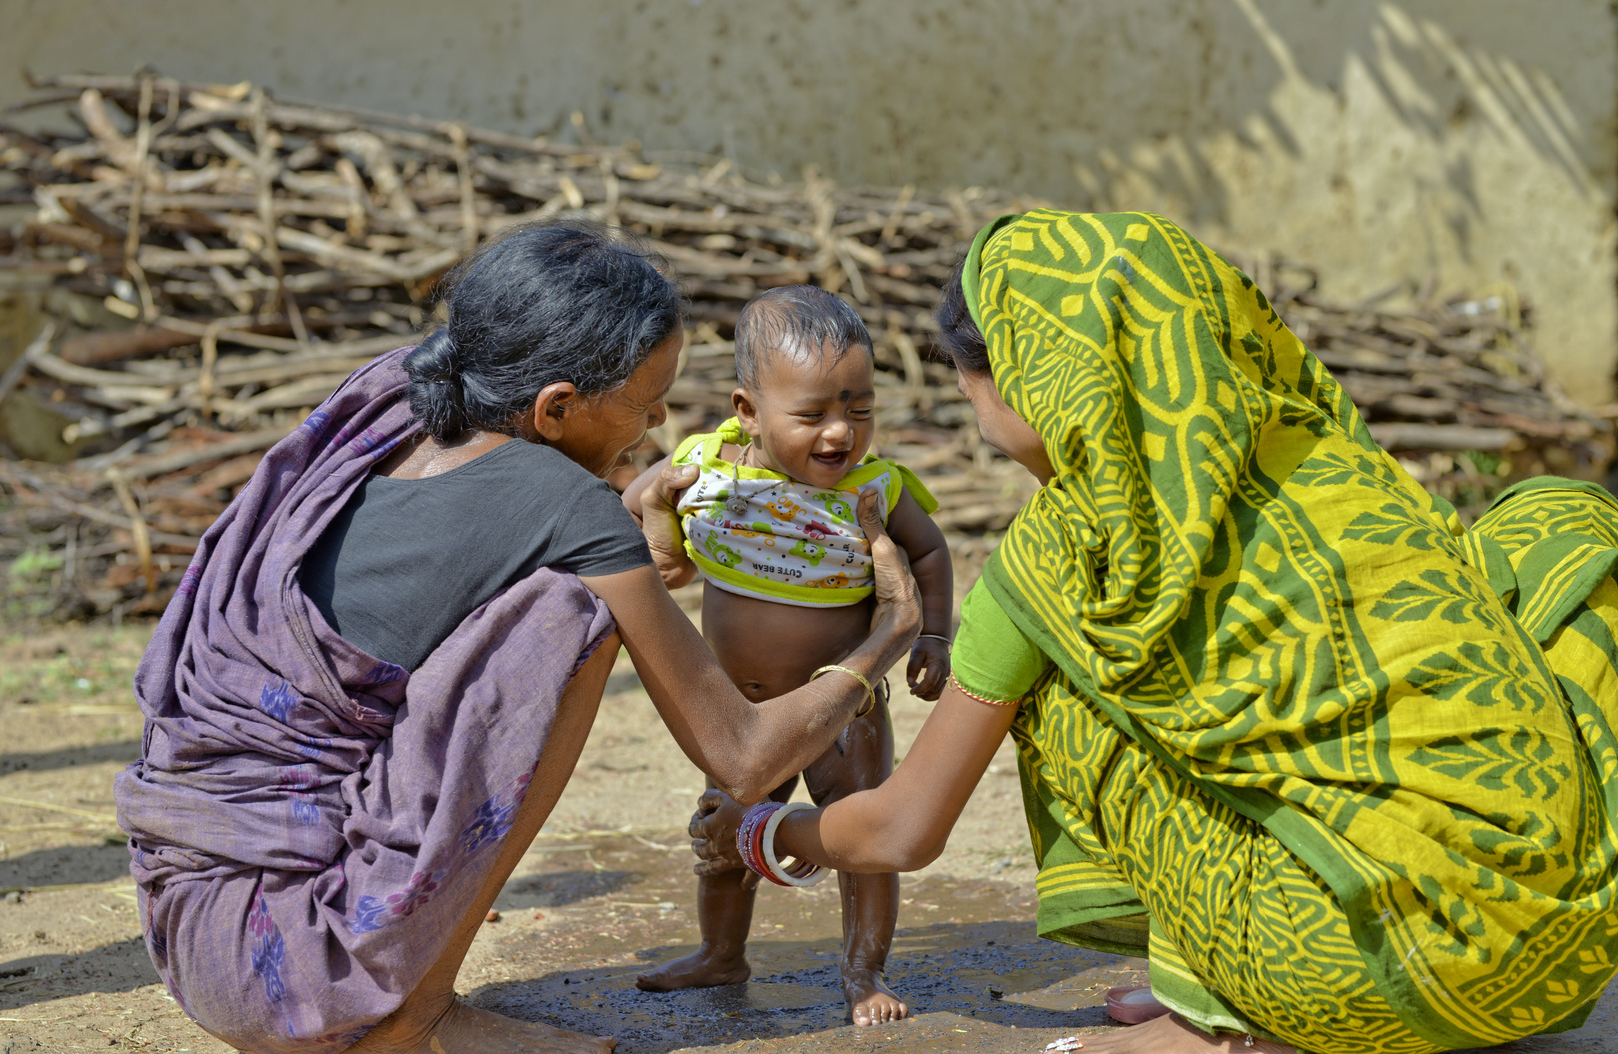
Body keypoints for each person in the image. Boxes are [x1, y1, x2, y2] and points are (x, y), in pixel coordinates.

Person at [688, 209, 1618, 1053]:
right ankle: (1234, 968)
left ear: (1030, 377)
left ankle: (1219, 1018)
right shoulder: (1340, 464)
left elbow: (904, 829)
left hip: (1365, 976)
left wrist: (767, 831)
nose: (976, 422)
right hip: (1562, 958)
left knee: (1058, 679)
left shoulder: (1066, 558)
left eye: (974, 389)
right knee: (1554, 527)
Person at [113, 221, 922, 1054]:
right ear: (556, 409)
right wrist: (888, 635)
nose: (654, 429)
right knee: (574, 616)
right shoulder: (570, 511)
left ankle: (411, 999)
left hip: (195, 929)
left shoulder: (393, 399)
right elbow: (745, 756)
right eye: (645, 408)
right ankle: (415, 1019)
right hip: (305, 972)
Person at [623, 285, 952, 1025]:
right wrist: (658, 517)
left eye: (860, 410)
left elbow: (929, 551)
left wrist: (935, 634)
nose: (840, 434)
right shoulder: (708, 464)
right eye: (811, 415)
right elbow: (640, 513)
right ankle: (720, 953)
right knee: (722, 835)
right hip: (737, 713)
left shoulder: (875, 487)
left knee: (861, 839)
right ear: (747, 409)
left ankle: (863, 972)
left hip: (843, 707)